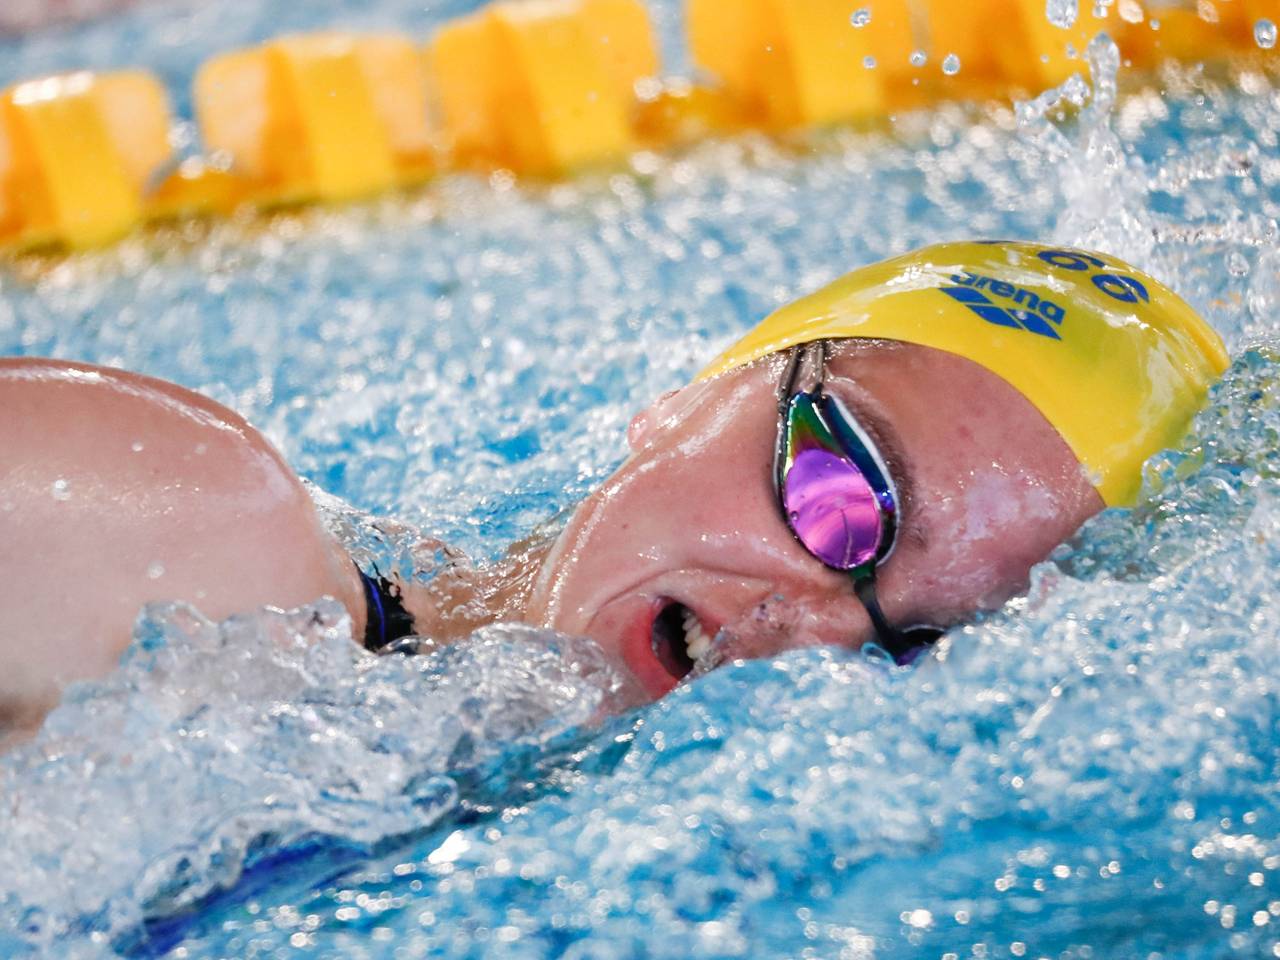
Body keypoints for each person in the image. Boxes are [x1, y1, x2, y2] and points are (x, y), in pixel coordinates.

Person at [0, 240, 1228, 741]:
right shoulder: (181, 530)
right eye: (841, 499)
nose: (802, 632)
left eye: (913, 643)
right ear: (694, 394)